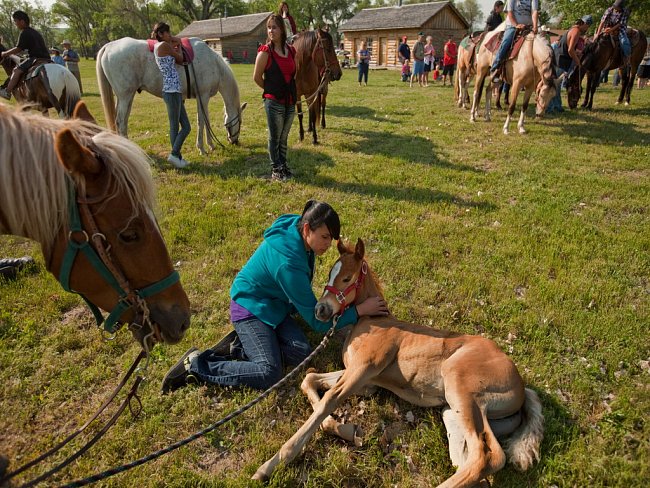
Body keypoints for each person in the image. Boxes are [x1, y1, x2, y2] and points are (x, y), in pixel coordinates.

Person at [161, 200, 390, 393]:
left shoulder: (296, 227)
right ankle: (197, 365)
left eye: (330, 239)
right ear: (307, 228)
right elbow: (318, 323)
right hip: (250, 308)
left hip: (275, 307)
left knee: (300, 353)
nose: (328, 245)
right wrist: (359, 311)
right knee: (268, 373)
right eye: (324, 237)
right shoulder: (288, 265)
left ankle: (238, 347)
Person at [253, 14, 297, 182]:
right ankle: (276, 168)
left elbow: (294, 73)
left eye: (275, 27)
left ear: (282, 29)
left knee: (284, 137)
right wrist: (271, 91)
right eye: (269, 27)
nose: (271, 30)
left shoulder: (291, 50)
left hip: (290, 101)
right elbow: (256, 77)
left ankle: (283, 164)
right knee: (275, 137)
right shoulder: (265, 52)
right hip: (274, 102)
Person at [151, 22, 191, 169]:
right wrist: (178, 46)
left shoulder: (159, 46)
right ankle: (174, 155)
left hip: (174, 90)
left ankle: (177, 157)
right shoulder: (164, 46)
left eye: (169, 32)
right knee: (177, 126)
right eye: (166, 32)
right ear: (160, 34)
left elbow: (174, 43)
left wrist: (173, 41)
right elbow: (180, 58)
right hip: (171, 90)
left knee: (185, 126)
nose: (169, 34)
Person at [0, 11, 50, 100]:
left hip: (35, 58)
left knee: (16, 71)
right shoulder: (35, 32)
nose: (15, 24)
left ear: (22, 22)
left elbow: (18, 48)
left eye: (15, 21)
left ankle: (7, 92)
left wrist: (5, 53)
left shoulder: (24, 32)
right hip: (47, 59)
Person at [490, 0, 539, 83]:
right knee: (506, 42)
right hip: (513, 26)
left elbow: (534, 11)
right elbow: (510, 12)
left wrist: (535, 26)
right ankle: (495, 68)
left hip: (528, 26)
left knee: (542, 42)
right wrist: (516, 25)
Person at [595, 0, 631, 66]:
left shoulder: (625, 12)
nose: (615, 8)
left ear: (620, 7)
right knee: (595, 39)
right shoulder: (609, 10)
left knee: (624, 41)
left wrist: (611, 30)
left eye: (617, 7)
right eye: (615, 6)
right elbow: (602, 22)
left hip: (620, 29)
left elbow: (620, 24)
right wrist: (598, 33)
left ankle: (627, 57)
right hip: (607, 27)